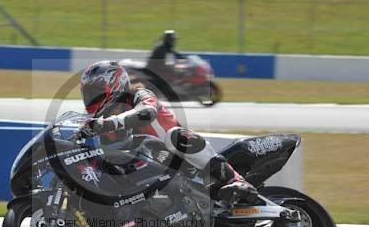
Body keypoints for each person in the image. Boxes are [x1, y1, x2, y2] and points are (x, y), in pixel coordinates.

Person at [78, 60, 256, 203]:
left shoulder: (139, 95)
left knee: (176, 136)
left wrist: (108, 123)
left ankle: (236, 180)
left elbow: (146, 113)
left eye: (95, 92)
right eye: (88, 94)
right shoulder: (99, 122)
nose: (91, 98)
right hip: (150, 168)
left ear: (114, 85)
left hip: (180, 159)